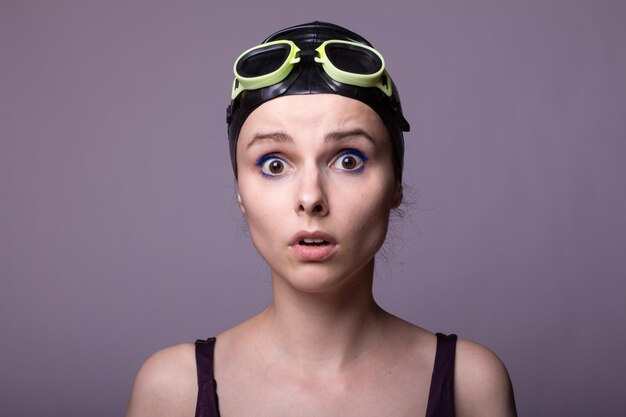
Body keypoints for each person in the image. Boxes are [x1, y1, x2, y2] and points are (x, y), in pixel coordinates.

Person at [125, 21, 517, 417]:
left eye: (349, 160)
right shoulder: (171, 391)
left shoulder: (470, 384)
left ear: (396, 184)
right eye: (274, 164)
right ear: (240, 191)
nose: (311, 197)